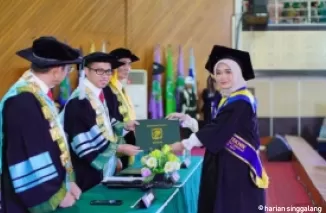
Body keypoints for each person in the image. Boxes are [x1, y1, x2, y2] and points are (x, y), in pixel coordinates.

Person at [168, 45, 268, 213]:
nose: (222, 77)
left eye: (228, 72)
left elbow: (218, 130)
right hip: (227, 161)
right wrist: (188, 120)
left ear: (237, 73)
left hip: (236, 167)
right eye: (218, 72)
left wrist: (185, 144)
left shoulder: (241, 101)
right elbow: (217, 125)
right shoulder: (230, 97)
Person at [0, 36, 82, 213]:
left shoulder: (38, 95)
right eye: (68, 70)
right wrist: (56, 195)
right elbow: (30, 154)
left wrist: (68, 182)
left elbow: (52, 143)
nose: (68, 74)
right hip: (25, 198)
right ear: (56, 71)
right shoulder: (22, 101)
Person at [61, 52, 141, 192]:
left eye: (109, 71)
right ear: (86, 71)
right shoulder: (80, 100)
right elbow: (83, 139)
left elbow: (104, 122)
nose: (105, 76)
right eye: (99, 71)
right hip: (85, 167)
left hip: (101, 166)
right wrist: (119, 148)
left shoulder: (96, 93)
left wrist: (125, 126)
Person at [102, 48, 139, 168]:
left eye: (129, 64)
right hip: (115, 147)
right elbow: (108, 120)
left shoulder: (120, 88)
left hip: (126, 143)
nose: (127, 68)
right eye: (123, 63)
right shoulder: (107, 89)